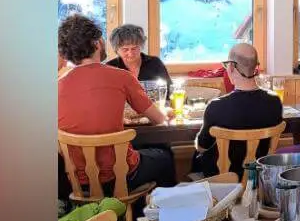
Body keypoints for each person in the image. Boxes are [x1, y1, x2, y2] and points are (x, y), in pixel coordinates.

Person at [58, 14, 176, 192]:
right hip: (120, 174)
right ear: (97, 43)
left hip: (77, 181)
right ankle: (153, 216)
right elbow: (159, 119)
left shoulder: (57, 85)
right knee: (165, 157)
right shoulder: (121, 76)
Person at [192, 43, 283, 178]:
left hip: (222, 180)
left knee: (196, 157)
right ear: (256, 67)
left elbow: (202, 146)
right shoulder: (275, 102)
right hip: (259, 176)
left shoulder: (216, 107)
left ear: (231, 67)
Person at [104, 24, 173, 96]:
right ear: (116, 50)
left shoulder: (155, 63)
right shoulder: (110, 67)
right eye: (125, 49)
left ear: (141, 46)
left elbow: (169, 91)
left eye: (134, 48)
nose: (130, 53)